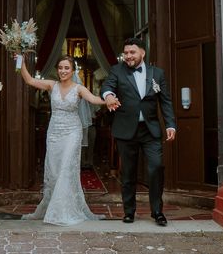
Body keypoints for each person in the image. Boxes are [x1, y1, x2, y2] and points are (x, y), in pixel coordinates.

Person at [18, 54, 106, 226]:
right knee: (55, 171)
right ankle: (55, 206)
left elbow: (93, 99)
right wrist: (19, 61)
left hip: (73, 132)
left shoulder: (79, 88)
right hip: (54, 133)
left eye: (67, 68)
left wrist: (108, 100)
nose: (63, 71)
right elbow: (29, 80)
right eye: (60, 68)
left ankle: (61, 212)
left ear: (73, 71)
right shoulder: (52, 85)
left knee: (67, 168)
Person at [101, 38, 176, 226]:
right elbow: (107, 86)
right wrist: (108, 95)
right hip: (126, 130)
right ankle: (129, 211)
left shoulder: (157, 73)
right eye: (126, 53)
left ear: (142, 53)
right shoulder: (117, 70)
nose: (128, 56)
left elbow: (165, 101)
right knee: (128, 173)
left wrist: (170, 124)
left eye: (132, 52)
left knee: (156, 167)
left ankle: (157, 211)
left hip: (150, 130)